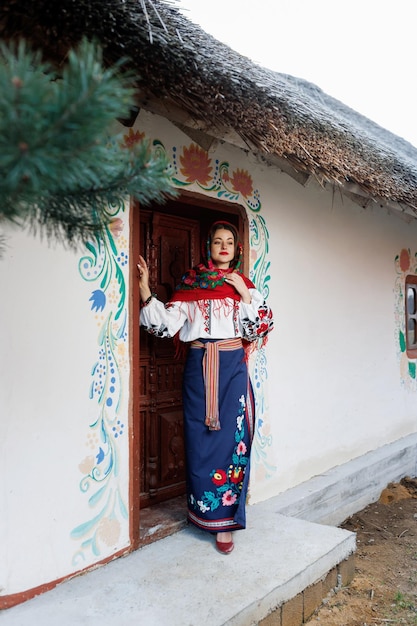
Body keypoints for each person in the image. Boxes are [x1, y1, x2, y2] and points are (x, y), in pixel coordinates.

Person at [138, 221, 273, 554]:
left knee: (231, 441)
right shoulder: (190, 283)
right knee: (200, 441)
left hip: (231, 369)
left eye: (229, 241)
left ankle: (225, 522)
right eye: (217, 241)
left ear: (237, 249)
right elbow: (164, 325)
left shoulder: (245, 286)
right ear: (208, 247)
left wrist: (243, 292)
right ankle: (202, 514)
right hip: (198, 369)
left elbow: (258, 328)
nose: (223, 246)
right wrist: (144, 289)